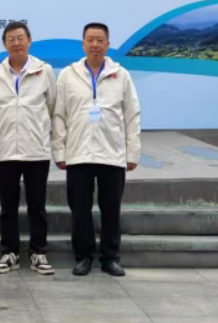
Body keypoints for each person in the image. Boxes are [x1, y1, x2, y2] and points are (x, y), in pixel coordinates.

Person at [52, 22, 141, 277]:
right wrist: (60, 151)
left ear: (108, 44)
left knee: (111, 210)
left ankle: (110, 258)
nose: (95, 45)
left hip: (111, 153)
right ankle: (83, 256)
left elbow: (132, 114)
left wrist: (132, 152)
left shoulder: (121, 75)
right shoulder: (68, 75)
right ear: (82, 44)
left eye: (100, 40)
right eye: (90, 40)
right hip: (78, 153)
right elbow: (59, 115)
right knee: (80, 210)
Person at [0, 21, 56, 275]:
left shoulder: (44, 71)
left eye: (20, 38)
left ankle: (38, 252)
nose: (16, 43)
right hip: (6, 149)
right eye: (11, 39)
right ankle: (10, 252)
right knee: (8, 206)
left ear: (29, 41)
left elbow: (53, 106)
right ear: (4, 44)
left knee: (37, 206)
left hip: (36, 148)